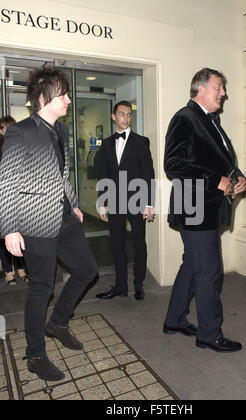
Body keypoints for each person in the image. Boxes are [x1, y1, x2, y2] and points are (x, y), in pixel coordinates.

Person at [0, 68, 98, 381]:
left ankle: (57, 322)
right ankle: (35, 354)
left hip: (65, 216)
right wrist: (9, 228)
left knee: (87, 270)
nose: (69, 99)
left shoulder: (63, 131)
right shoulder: (22, 131)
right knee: (41, 288)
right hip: (34, 221)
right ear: (44, 98)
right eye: (63, 94)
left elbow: (62, 174)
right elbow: (6, 182)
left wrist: (74, 203)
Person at [163, 68, 246, 353]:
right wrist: (216, 181)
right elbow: (173, 164)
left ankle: (175, 320)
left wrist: (239, 176)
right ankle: (209, 334)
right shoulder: (185, 118)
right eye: (219, 87)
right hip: (194, 207)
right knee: (209, 270)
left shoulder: (210, 121)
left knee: (193, 265)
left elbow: (219, 162)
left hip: (204, 207)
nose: (223, 93)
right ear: (201, 88)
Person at [96, 101, 155, 301]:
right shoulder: (106, 143)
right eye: (122, 114)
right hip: (114, 201)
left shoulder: (142, 142)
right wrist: (101, 202)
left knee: (139, 243)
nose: (126, 118)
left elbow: (149, 174)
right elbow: (103, 174)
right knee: (116, 244)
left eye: (129, 115)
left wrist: (149, 204)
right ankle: (120, 286)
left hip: (137, 200)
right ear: (114, 116)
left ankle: (138, 284)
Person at [0, 116, 29, 286]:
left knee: (19, 236)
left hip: (18, 200)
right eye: (4, 128)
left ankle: (20, 268)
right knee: (3, 239)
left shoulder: (20, 147)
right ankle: (8, 272)